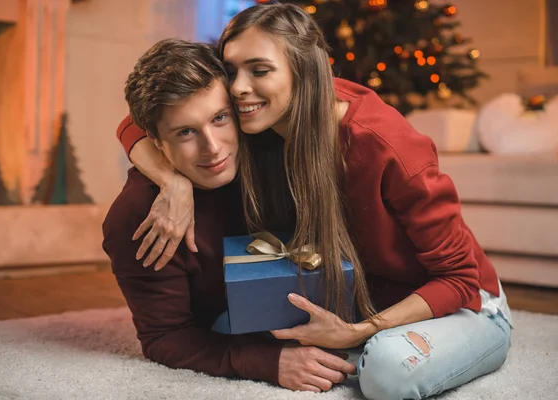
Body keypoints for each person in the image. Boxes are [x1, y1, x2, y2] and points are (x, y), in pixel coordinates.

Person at [115, 3, 514, 399]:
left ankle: (379, 352)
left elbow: (460, 279)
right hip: (363, 298)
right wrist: (173, 182)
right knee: (226, 328)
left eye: (260, 70)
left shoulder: (382, 145)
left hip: (460, 303)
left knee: (388, 373)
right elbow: (144, 118)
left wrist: (360, 332)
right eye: (232, 71)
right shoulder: (260, 119)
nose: (238, 87)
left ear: (304, 69)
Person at [102, 38, 358, 393]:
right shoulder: (138, 218)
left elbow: (327, 91)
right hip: (228, 329)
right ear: (156, 142)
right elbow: (164, 338)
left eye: (219, 118)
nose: (213, 147)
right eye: (186, 132)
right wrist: (267, 361)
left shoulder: (266, 137)